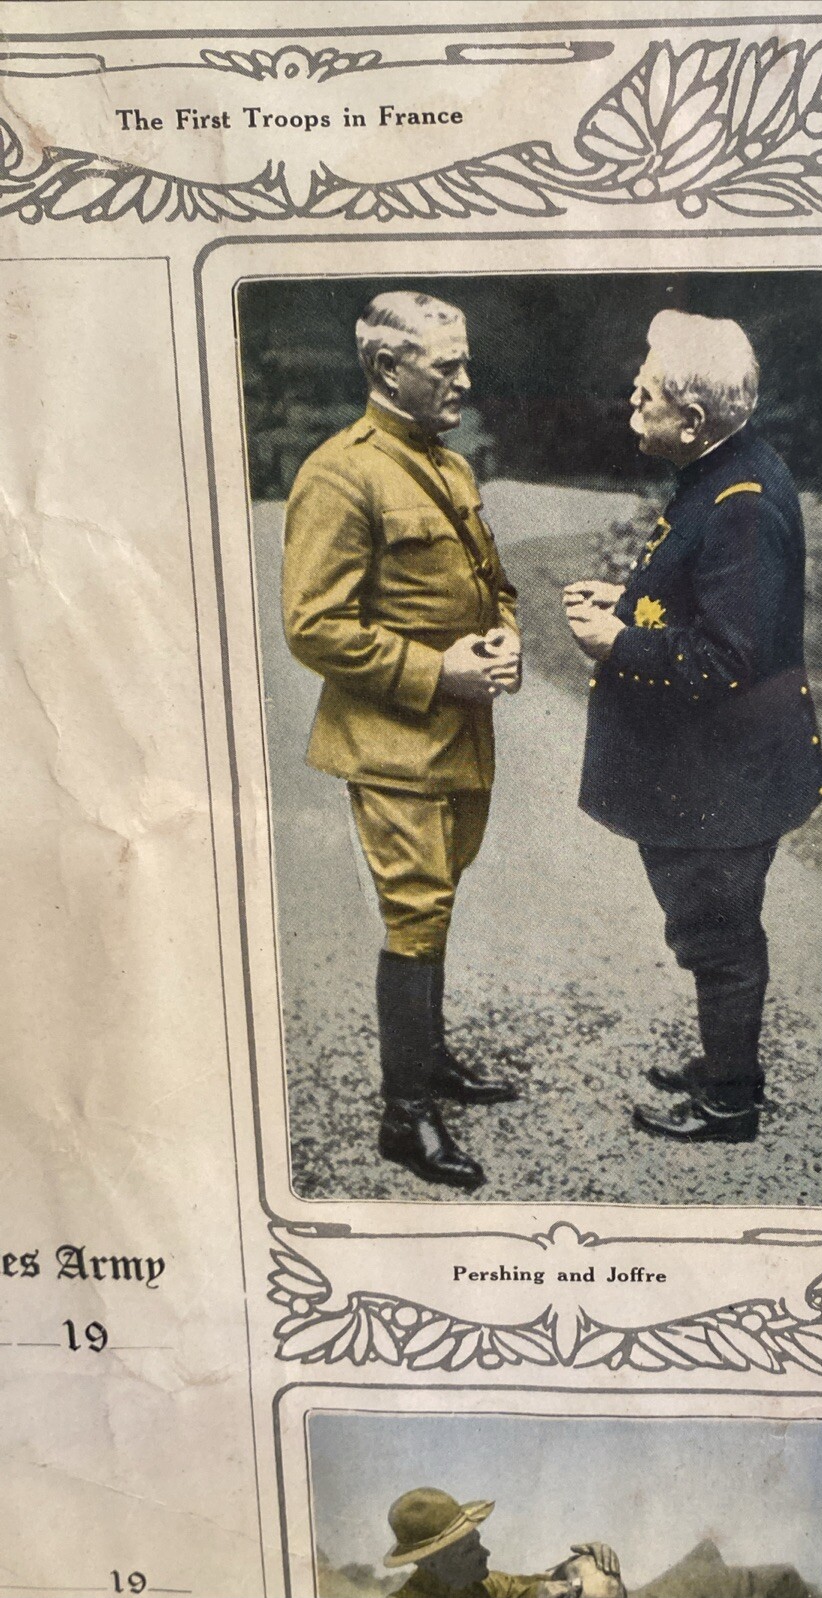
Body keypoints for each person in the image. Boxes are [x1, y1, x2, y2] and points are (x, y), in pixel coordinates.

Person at [564, 310, 822, 1145]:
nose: (631, 397)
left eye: (646, 391)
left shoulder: (739, 499)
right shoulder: (725, 473)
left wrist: (618, 642)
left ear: (691, 418)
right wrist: (628, 603)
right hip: (725, 769)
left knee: (717, 940)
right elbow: (711, 603)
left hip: (723, 777)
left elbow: (725, 658)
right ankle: (725, 1070)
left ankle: (727, 1105)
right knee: (717, 932)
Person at [282, 291, 522, 1192]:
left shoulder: (449, 468)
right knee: (415, 906)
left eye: (463, 361)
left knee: (438, 896)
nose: (464, 379)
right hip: (393, 739)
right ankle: (404, 1116)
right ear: (388, 369)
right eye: (445, 366)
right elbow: (313, 626)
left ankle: (427, 1064)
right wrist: (435, 674)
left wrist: (505, 633)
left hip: (463, 734)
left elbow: (493, 580)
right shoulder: (339, 474)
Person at [383, 1487, 623, 1598]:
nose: (485, 1553)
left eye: (477, 1543)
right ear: (432, 1563)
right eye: (469, 1550)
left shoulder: (482, 1586)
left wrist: (582, 1563)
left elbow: (532, 1587)